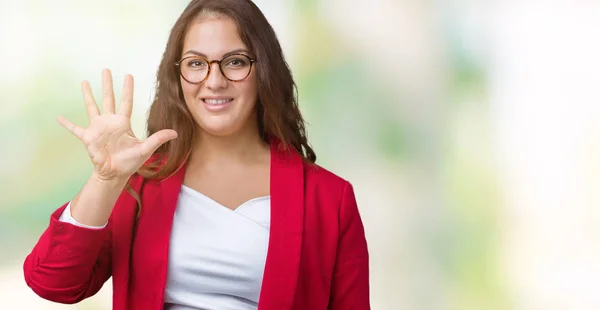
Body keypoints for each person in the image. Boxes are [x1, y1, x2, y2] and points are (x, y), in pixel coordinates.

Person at [23, 0, 370, 309]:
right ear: (177, 77)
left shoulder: (330, 199)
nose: (214, 81)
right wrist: (106, 179)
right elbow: (54, 283)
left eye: (234, 62)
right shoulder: (140, 184)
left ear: (263, 70)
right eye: (196, 63)